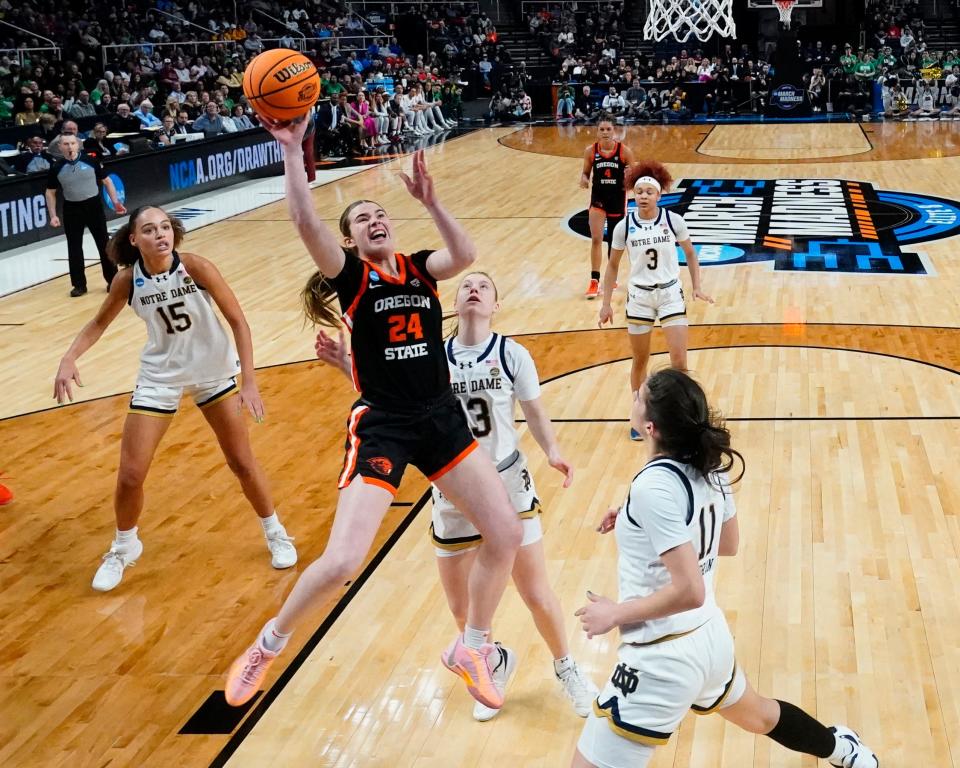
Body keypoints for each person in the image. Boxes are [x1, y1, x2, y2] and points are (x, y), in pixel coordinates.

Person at [223, 120, 522, 712]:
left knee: (506, 532)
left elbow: (465, 254)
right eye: (362, 219)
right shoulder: (353, 276)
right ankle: (268, 644)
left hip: (441, 419)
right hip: (385, 423)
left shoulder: (416, 268)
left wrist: (432, 203)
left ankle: (473, 646)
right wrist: (291, 150)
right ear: (351, 242)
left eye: (379, 213)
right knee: (340, 563)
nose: (375, 220)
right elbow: (305, 222)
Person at [315, 271, 598, 722]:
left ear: (495, 305)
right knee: (460, 606)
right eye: (467, 285)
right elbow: (389, 393)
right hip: (450, 486)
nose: (474, 290)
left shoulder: (511, 354)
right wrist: (341, 363)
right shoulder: (431, 355)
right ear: (452, 300)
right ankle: (491, 662)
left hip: (505, 481)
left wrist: (554, 452)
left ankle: (567, 668)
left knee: (535, 591)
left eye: (485, 286)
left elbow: (535, 412)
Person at [572, 370, 879, 768]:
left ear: (650, 427)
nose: (633, 397)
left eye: (639, 396)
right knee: (761, 714)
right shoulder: (709, 466)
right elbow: (728, 542)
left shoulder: (653, 488)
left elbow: (689, 590)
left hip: (660, 658)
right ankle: (845, 750)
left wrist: (614, 613)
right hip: (708, 640)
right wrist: (639, 523)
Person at [53, 206, 298, 592]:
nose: (161, 234)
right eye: (149, 230)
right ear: (134, 240)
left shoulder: (197, 267)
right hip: (160, 376)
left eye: (165, 227)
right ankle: (123, 547)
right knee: (131, 474)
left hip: (213, 372)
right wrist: (69, 357)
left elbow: (238, 320)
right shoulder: (128, 280)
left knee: (241, 462)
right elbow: (99, 322)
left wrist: (249, 379)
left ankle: (276, 532)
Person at [598, 160, 712, 440]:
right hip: (639, 297)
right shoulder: (624, 226)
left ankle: (684, 417)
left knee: (679, 361)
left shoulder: (673, 220)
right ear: (633, 195)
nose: (644, 196)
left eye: (650, 191)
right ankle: (640, 417)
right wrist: (606, 302)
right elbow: (612, 265)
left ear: (659, 195)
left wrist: (696, 287)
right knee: (640, 360)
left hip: (670, 293)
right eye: (640, 192)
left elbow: (691, 254)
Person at [45, 135, 127, 297]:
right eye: (66, 144)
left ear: (78, 145)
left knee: (104, 243)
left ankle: (113, 280)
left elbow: (107, 181)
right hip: (72, 209)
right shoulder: (56, 167)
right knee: (74, 247)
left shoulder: (91, 161)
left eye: (72, 143)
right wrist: (53, 215)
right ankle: (79, 285)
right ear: (60, 147)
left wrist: (116, 202)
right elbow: (50, 192)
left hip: (93, 206)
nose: (69, 147)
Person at [579, 114, 635, 299]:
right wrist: (584, 179)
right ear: (597, 132)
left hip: (617, 199)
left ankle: (612, 277)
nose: (605, 132)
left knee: (614, 241)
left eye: (608, 129)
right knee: (596, 238)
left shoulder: (624, 151)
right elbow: (586, 173)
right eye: (601, 129)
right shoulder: (590, 151)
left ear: (614, 131)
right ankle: (594, 281)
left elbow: (633, 177)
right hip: (599, 197)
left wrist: (629, 175)